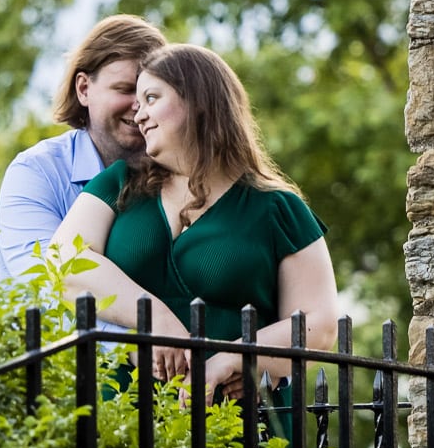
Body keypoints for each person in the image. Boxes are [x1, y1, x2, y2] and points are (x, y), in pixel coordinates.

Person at [49, 43, 338, 405]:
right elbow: (64, 260)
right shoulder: (118, 183)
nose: (139, 115)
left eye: (152, 98)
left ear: (200, 101)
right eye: (138, 102)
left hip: (236, 421)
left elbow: (320, 324)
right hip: (123, 418)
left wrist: (233, 359)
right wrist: (156, 318)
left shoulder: (277, 207)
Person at [0, 14, 166, 280]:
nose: (139, 107)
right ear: (84, 88)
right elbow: (48, 285)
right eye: (125, 89)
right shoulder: (37, 173)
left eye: (152, 95)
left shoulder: (178, 174)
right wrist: (159, 322)